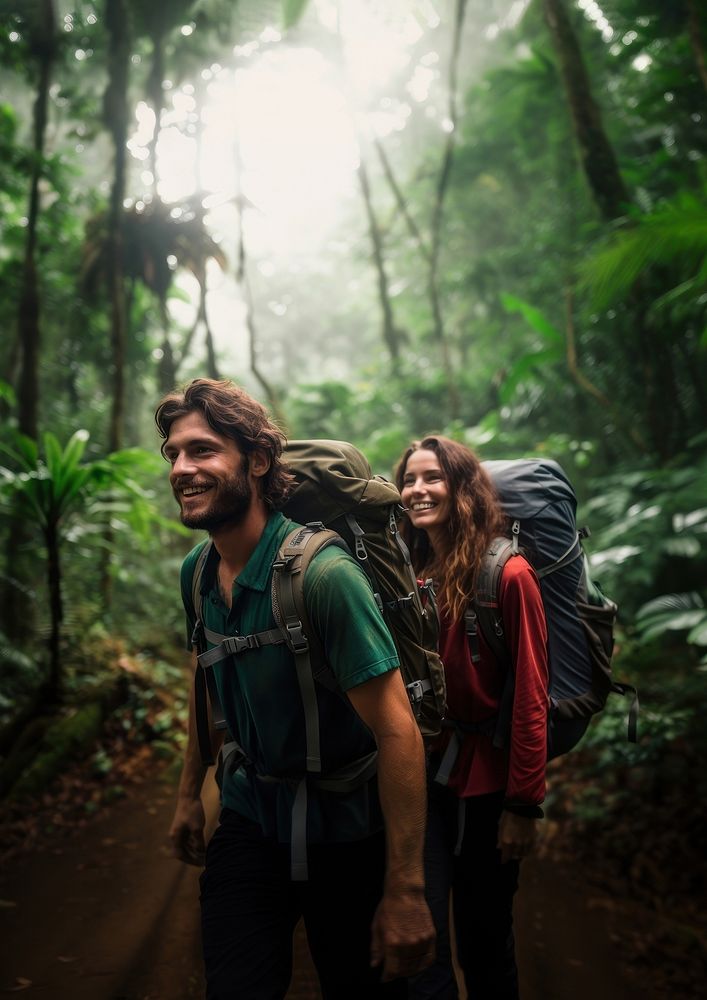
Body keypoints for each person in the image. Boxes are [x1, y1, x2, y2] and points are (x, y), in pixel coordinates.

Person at [155, 378, 435, 1000]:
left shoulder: (325, 576)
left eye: (203, 450)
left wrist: (407, 889)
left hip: (348, 835)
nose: (182, 468)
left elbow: (396, 731)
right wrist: (186, 795)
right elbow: (209, 679)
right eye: (174, 454)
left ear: (257, 461)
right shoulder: (196, 573)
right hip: (251, 819)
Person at [395, 436, 548, 1000]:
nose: (417, 490)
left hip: (488, 785)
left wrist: (524, 805)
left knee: (484, 944)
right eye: (409, 480)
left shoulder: (507, 575)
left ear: (461, 488)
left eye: (432, 477)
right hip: (423, 780)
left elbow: (532, 695)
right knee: (423, 939)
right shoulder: (411, 573)